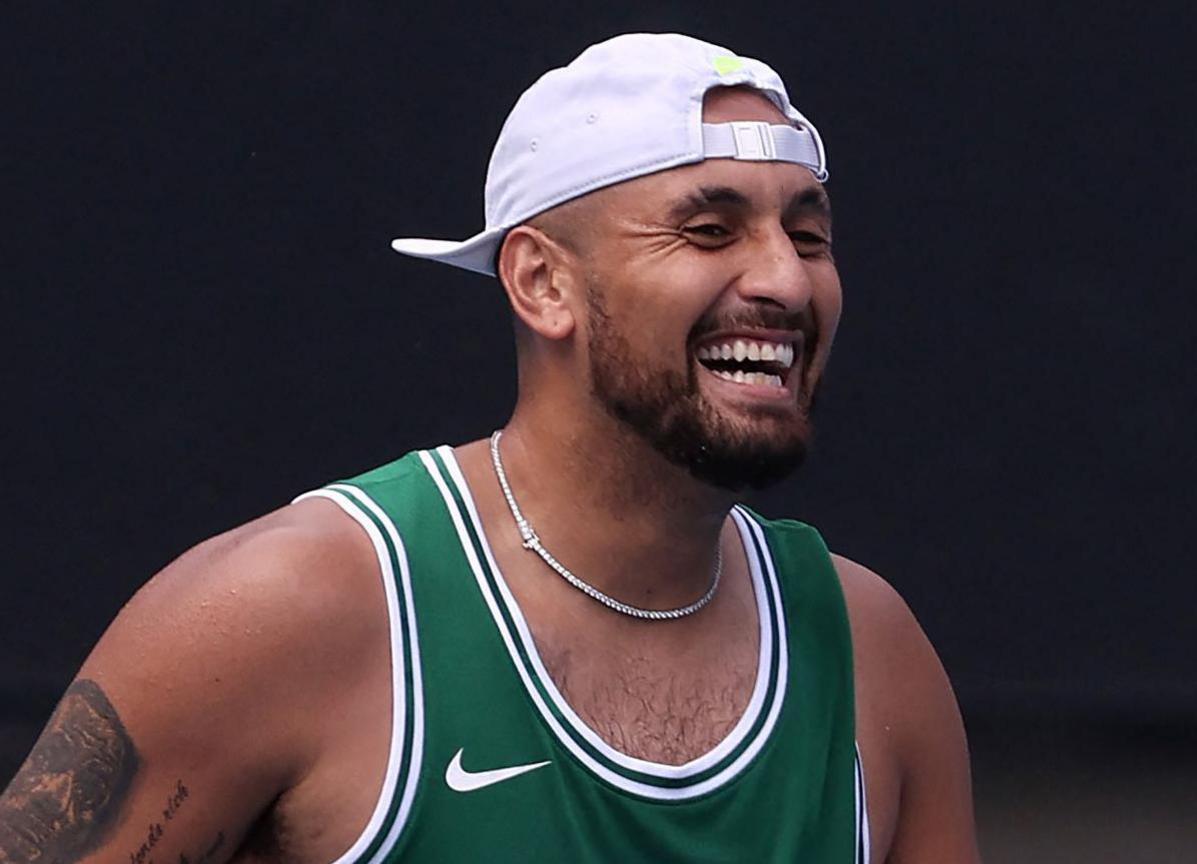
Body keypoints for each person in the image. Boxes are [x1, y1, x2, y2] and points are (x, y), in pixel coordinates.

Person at [0, 33, 978, 863]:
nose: (787, 283)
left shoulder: (868, 652)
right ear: (541, 283)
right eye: (711, 229)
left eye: (808, 238)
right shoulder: (286, 615)